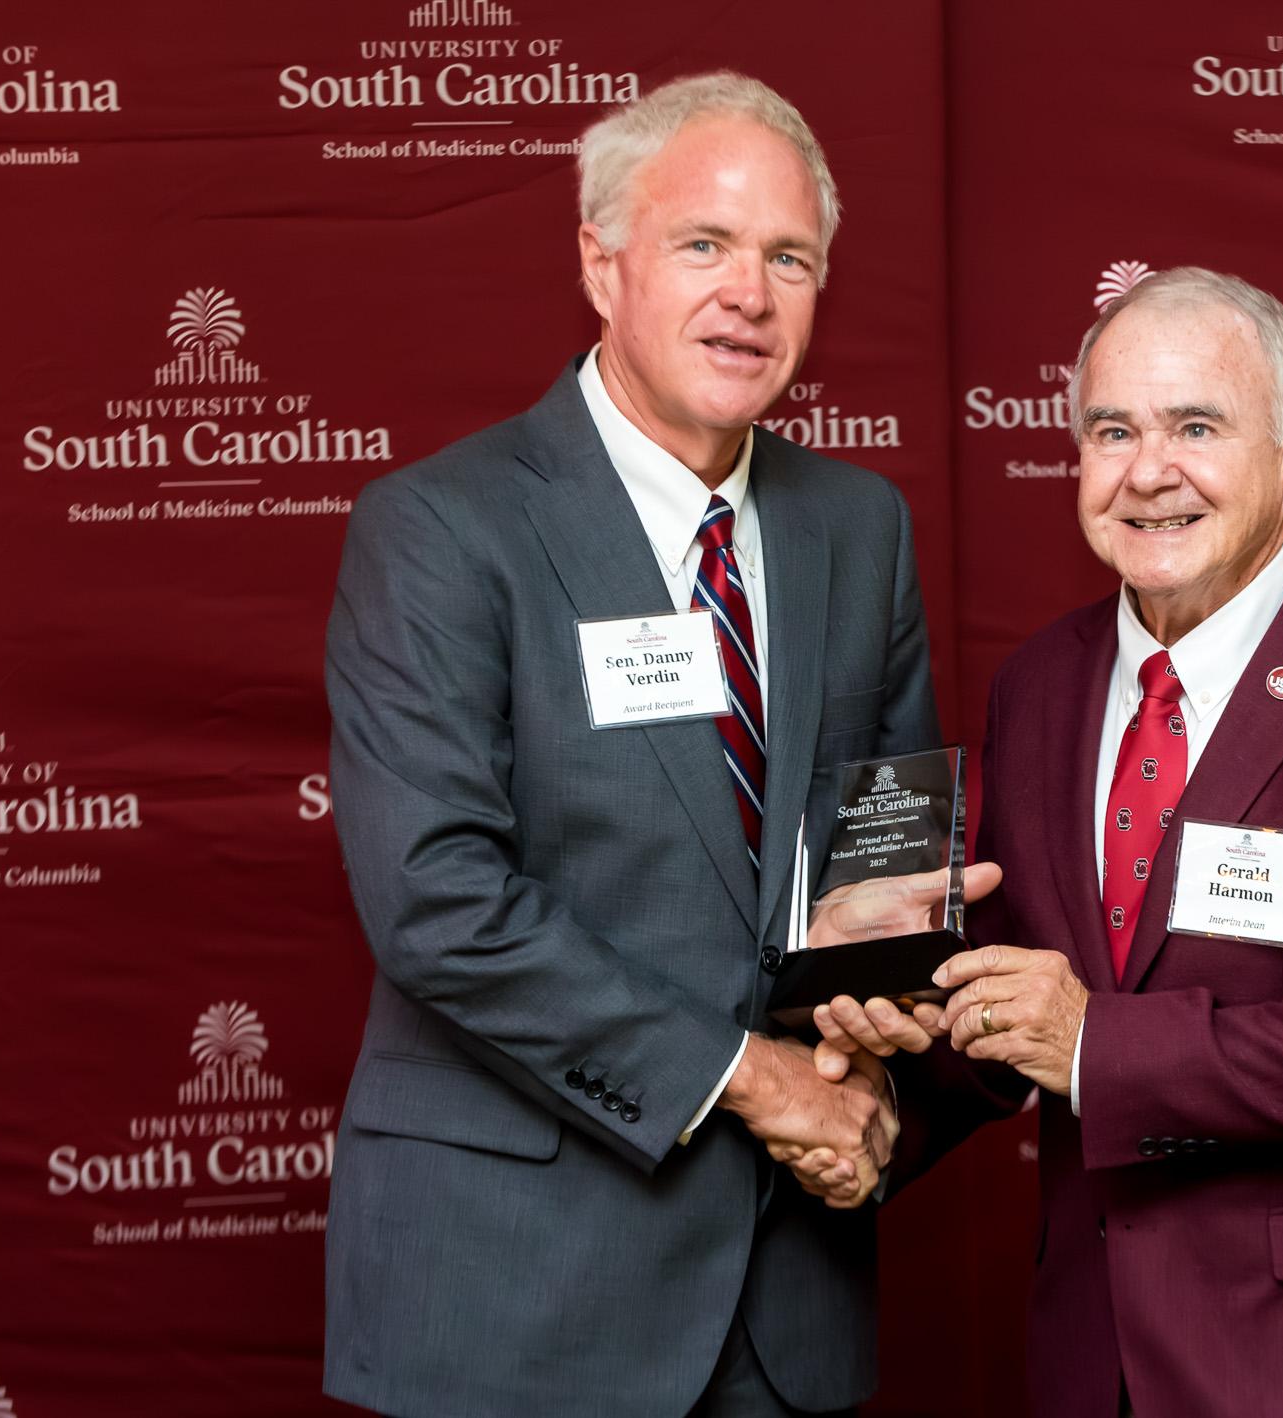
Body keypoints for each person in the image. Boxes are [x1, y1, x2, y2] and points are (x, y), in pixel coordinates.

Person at [321, 72, 977, 1417]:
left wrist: (880, 1000)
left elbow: (883, 867)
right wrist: (753, 1079)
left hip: (785, 1300)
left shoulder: (861, 529)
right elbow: (438, 900)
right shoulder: (441, 530)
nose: (750, 292)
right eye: (705, 244)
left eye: (789, 257)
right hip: (521, 1294)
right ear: (600, 261)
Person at [812, 267, 1283, 1416]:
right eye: (1112, 430)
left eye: (1195, 425)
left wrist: (1096, 1042)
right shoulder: (1039, 684)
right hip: (1095, 1353)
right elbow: (1022, 1003)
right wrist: (879, 1084)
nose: (1148, 471)